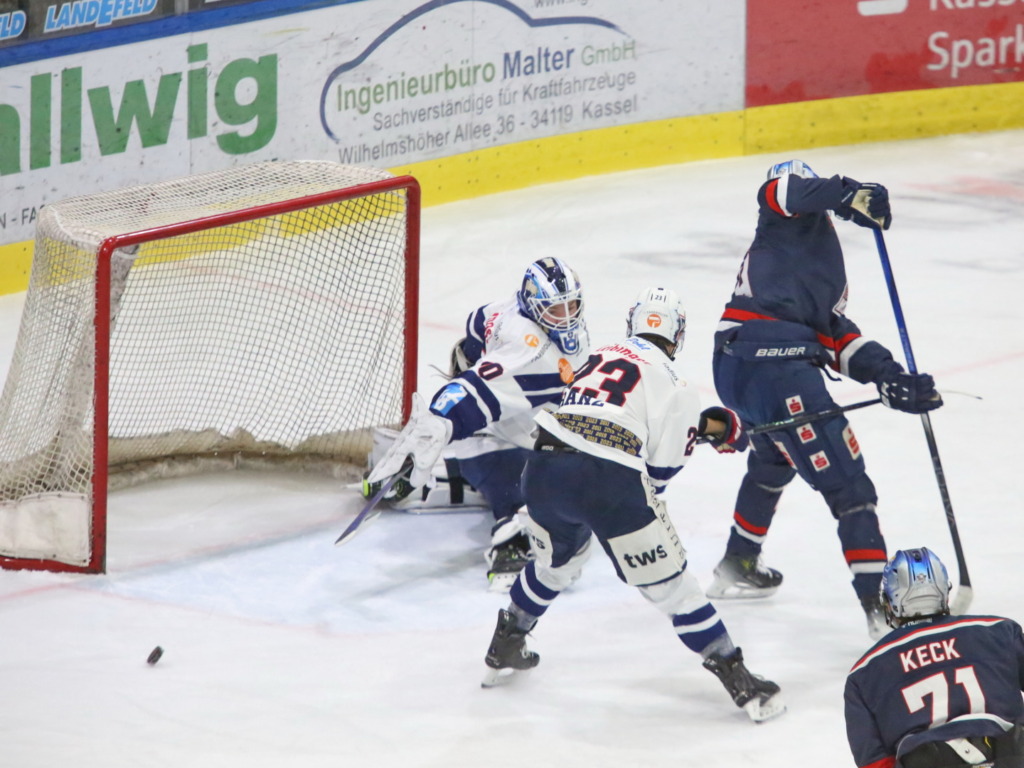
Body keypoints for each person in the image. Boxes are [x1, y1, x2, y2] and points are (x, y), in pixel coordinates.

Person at [479, 287, 785, 723]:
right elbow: (657, 475)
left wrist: (697, 429)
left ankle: (506, 640)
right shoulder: (677, 383)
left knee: (555, 565)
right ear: (676, 335)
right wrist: (693, 436)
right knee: (676, 591)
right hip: (607, 482)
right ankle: (742, 683)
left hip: (543, 469)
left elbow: (610, 412)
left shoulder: (597, 357)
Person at [706, 159, 943, 639]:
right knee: (851, 493)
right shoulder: (777, 215)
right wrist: (848, 192)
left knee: (771, 464)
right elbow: (784, 189)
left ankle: (737, 563)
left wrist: (888, 377)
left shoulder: (814, 261)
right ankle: (882, 616)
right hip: (778, 369)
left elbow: (834, 338)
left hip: (743, 369)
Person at [364, 257, 591, 590]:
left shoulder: (503, 310)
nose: (567, 316)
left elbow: (475, 329)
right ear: (532, 305)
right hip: (496, 439)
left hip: (490, 433)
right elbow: (475, 390)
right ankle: (512, 533)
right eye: (556, 310)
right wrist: (441, 421)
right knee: (579, 496)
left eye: (571, 305)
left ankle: (438, 475)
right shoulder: (534, 352)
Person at [845, 547, 1024, 768]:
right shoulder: (999, 631)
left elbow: (875, 763)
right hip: (1011, 755)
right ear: (943, 590)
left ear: (891, 601)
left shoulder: (864, 673)